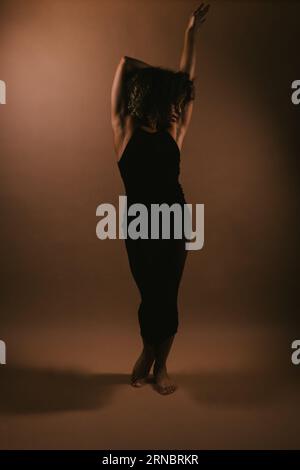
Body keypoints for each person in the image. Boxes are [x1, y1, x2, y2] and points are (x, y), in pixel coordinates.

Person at [111, 3, 210, 395]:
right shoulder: (123, 132)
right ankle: (148, 349)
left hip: (174, 221)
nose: (175, 104)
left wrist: (190, 32)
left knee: (167, 293)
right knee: (149, 292)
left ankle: (160, 364)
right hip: (138, 222)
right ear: (147, 97)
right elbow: (122, 64)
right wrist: (158, 77)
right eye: (165, 96)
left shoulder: (175, 132)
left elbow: (186, 80)